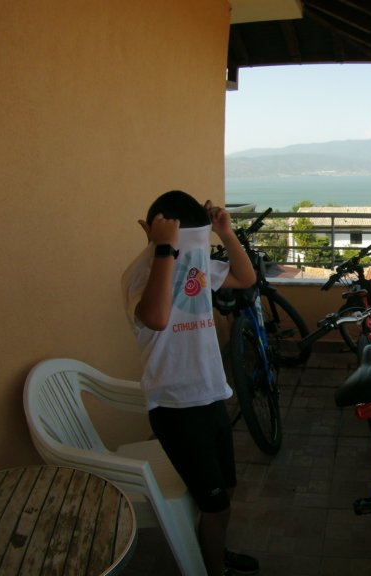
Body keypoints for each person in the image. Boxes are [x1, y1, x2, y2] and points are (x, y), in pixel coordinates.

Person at [122, 190, 259, 576]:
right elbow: (156, 317)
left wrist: (225, 234)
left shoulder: (195, 263)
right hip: (176, 407)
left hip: (209, 393)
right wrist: (165, 248)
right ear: (149, 231)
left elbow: (245, 277)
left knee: (224, 491)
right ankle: (213, 568)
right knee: (215, 504)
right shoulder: (141, 275)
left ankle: (215, 552)